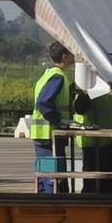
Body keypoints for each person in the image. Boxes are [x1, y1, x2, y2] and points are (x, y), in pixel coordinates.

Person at [29, 43, 83, 194]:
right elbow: (43, 102)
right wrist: (59, 121)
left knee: (46, 175)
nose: (74, 57)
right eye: (71, 54)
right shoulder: (58, 77)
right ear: (64, 57)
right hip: (49, 135)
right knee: (54, 178)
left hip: (43, 135)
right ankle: (53, 207)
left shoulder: (50, 74)